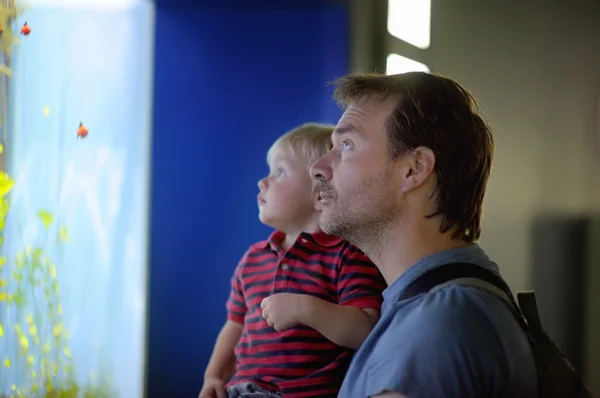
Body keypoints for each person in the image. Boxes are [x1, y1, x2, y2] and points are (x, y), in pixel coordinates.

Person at [310, 72, 537, 398]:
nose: (318, 167)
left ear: (414, 169)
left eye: (347, 145)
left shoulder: (442, 323)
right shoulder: (430, 306)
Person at [199, 123, 386, 398]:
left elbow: (366, 329)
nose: (263, 182)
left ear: (320, 193)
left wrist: (305, 308)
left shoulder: (348, 255)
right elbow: (235, 324)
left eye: (280, 172)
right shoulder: (252, 259)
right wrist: (213, 376)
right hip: (241, 390)